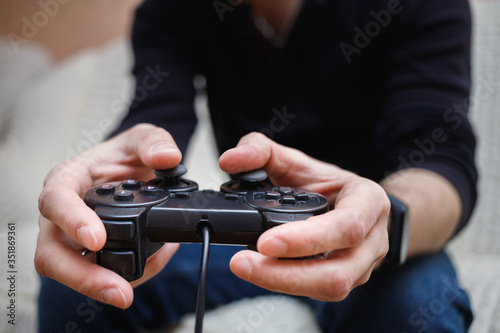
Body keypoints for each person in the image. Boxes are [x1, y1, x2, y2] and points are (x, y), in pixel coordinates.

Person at [35, 0, 477, 331]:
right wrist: (117, 171)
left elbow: (440, 158)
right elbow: (155, 116)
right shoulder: (171, 8)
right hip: (244, 238)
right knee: (82, 280)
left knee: (420, 308)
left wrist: (380, 221)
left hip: (372, 243)